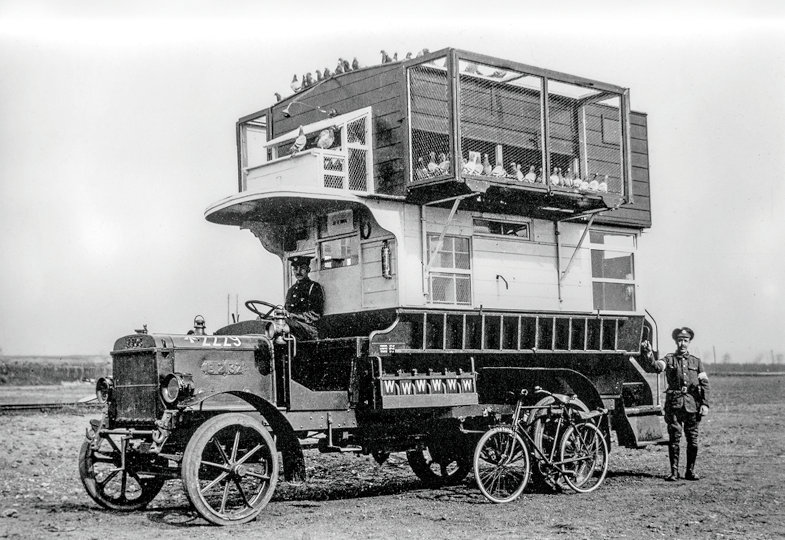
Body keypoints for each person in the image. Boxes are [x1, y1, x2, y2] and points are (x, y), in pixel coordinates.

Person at [642, 327, 710, 481]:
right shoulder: (669, 359)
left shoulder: (696, 362)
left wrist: (705, 404)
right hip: (674, 406)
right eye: (680, 340)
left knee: (693, 440)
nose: (682, 343)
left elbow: (705, 384)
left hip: (692, 406)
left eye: (685, 340)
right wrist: (649, 354)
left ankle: (690, 471)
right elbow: (656, 367)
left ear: (689, 342)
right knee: (674, 439)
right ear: (676, 341)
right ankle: (674, 472)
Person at [283, 255, 324, 341]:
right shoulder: (291, 290)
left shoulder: (314, 287)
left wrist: (294, 316)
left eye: (302, 268)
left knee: (285, 324)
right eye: (295, 269)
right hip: (294, 327)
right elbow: (286, 310)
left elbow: (316, 314)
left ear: (308, 270)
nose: (298, 272)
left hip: (309, 329)